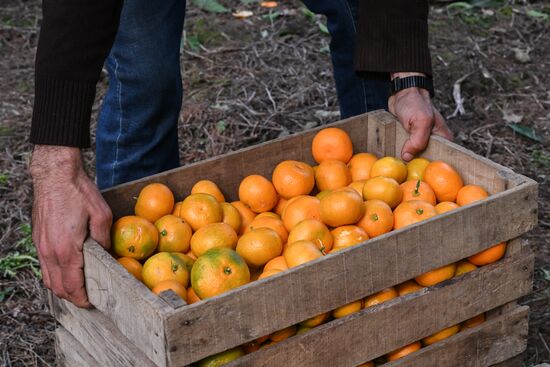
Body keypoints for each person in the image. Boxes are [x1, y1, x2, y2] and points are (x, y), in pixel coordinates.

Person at [30, 0, 453, 307]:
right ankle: (138, 301)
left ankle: (384, 256)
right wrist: (55, 160)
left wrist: (407, 78)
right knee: (145, 70)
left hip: (344, 225)